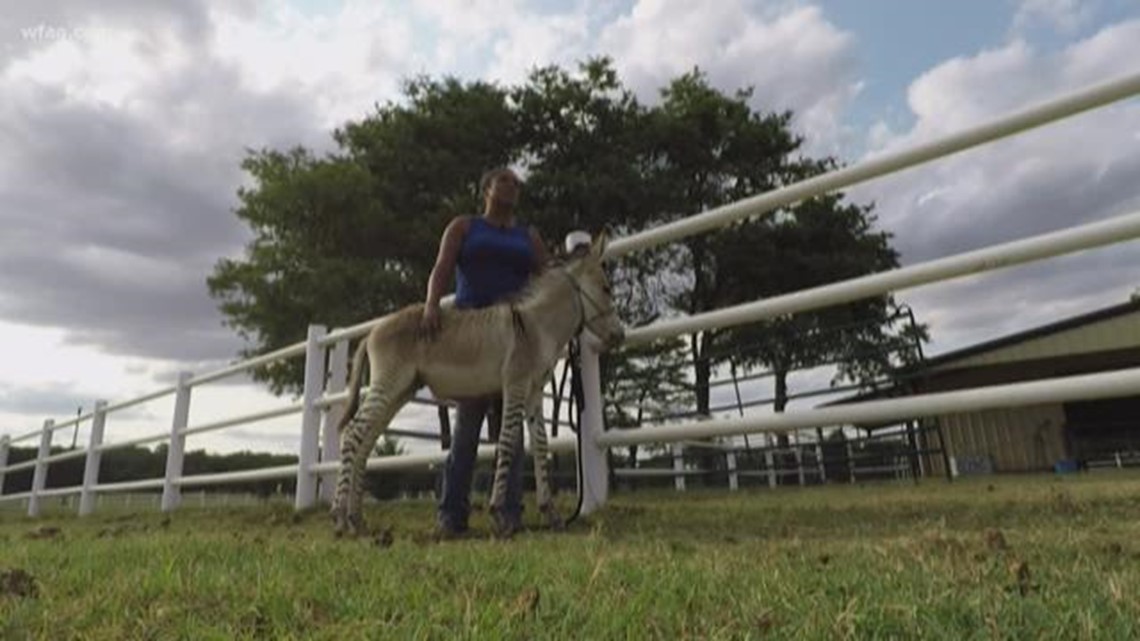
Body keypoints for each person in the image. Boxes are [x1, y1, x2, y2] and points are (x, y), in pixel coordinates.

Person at [421, 166, 548, 537]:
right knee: (467, 427)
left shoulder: (529, 236)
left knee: (511, 430)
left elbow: (548, 277)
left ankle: (509, 513)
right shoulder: (464, 226)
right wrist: (432, 304)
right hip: (473, 332)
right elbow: (442, 267)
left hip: (515, 335)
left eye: (517, 182)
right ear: (487, 188)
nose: (513, 186)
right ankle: (451, 513)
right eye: (505, 180)